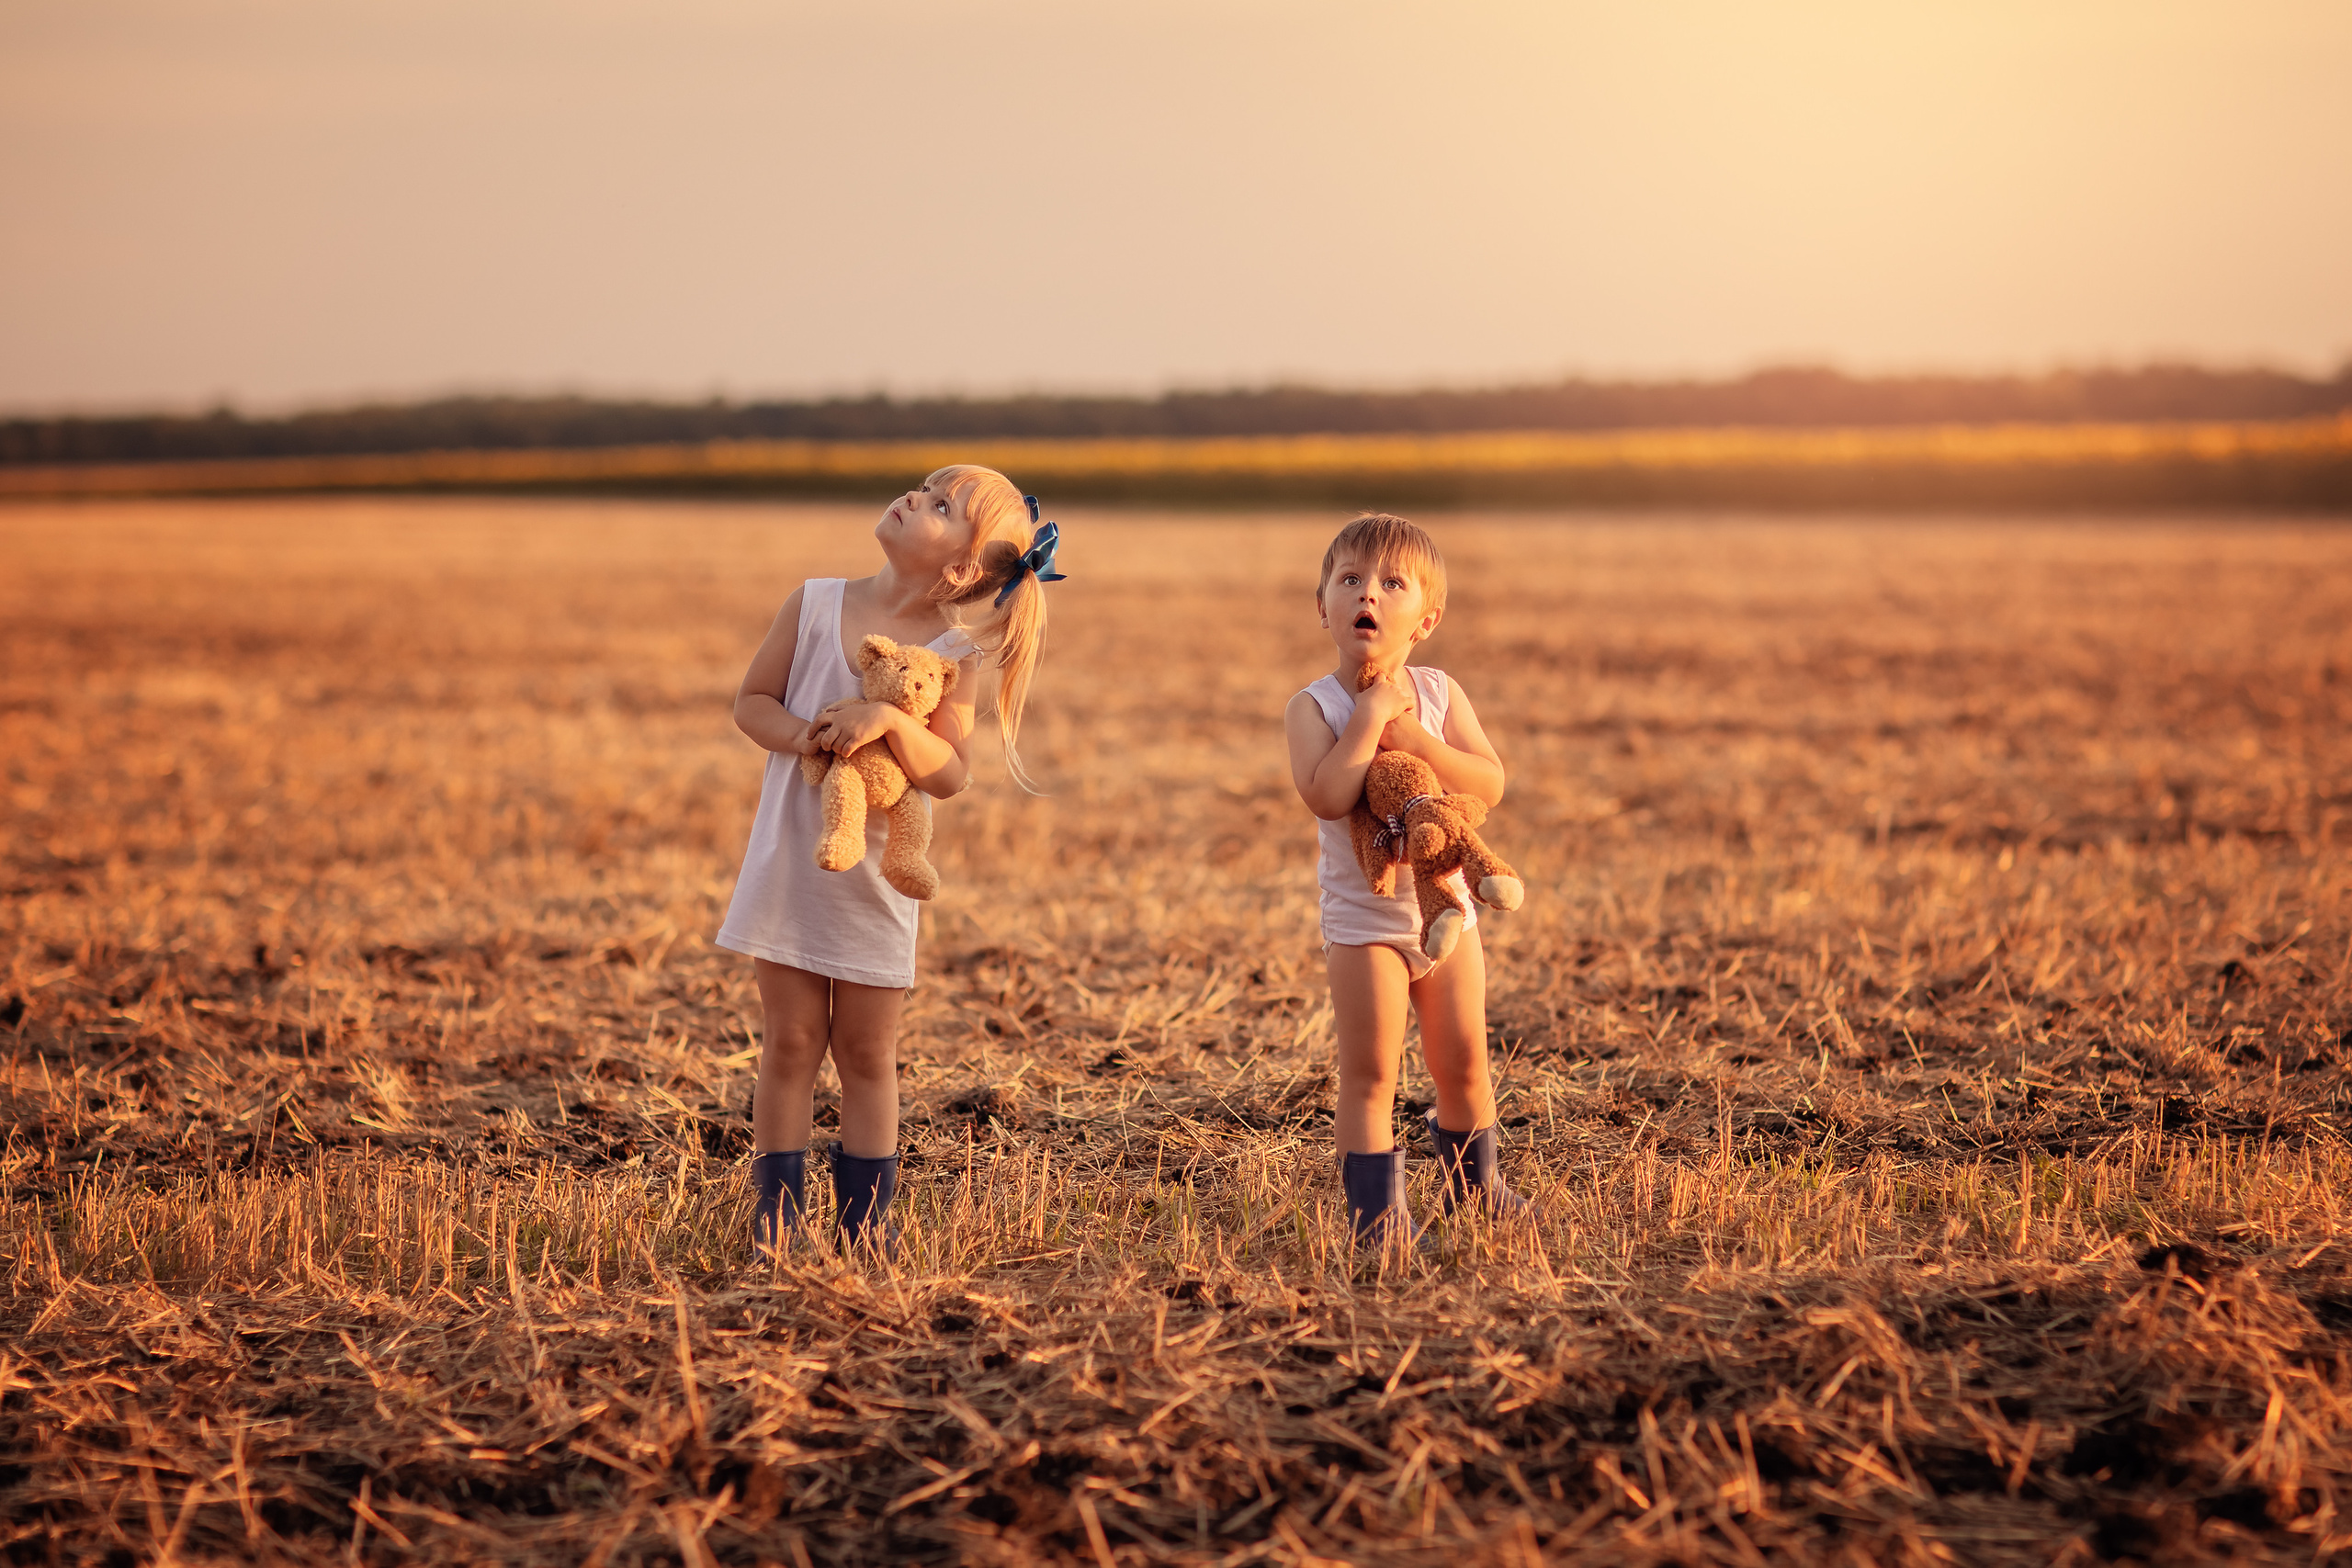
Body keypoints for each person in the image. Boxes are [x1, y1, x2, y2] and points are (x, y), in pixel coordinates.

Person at [717, 466, 1062, 1256]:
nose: (915, 497)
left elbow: (949, 770)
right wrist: (812, 736)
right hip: (793, 863)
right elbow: (751, 704)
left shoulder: (950, 654)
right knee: (791, 1040)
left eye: (942, 506)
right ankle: (778, 1221)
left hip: (878, 882)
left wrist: (885, 720)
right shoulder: (813, 604)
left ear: (960, 570)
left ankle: (867, 1226)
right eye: (925, 487)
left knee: (868, 1051)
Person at [1282, 513, 1524, 1250]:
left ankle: (1474, 1189)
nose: (1370, 595)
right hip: (1365, 929)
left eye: (1392, 584)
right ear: (1322, 606)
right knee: (1370, 1071)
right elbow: (1327, 793)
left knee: (1464, 1060)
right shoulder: (1314, 708)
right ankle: (1376, 1219)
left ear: (1426, 619)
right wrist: (1371, 718)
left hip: (1447, 916)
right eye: (1351, 580)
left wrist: (1417, 738)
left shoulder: (1441, 693)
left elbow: (1491, 778)